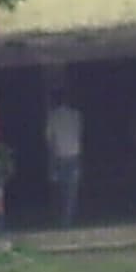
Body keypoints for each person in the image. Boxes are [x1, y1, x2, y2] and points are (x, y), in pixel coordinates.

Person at [45, 94, 83, 227]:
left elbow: (50, 141)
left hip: (59, 156)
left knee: (60, 189)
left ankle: (61, 219)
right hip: (74, 155)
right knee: (72, 190)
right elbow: (79, 134)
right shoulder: (76, 115)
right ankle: (69, 219)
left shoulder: (52, 117)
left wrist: (52, 162)